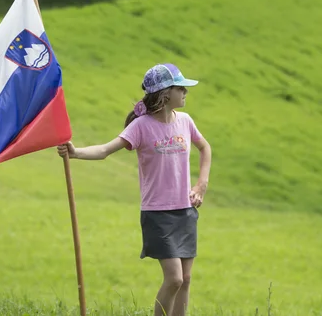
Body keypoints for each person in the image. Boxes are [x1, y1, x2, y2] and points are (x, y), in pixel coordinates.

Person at [57, 63, 212, 316]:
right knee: (173, 279)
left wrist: (201, 185)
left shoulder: (185, 121)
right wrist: (75, 153)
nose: (185, 92)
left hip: (185, 211)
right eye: (180, 87)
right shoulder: (141, 126)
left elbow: (205, 148)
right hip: (158, 214)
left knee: (186, 278)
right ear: (164, 94)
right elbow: (106, 150)